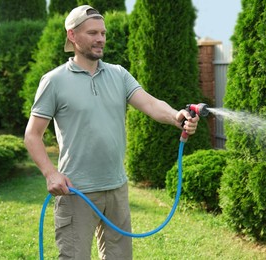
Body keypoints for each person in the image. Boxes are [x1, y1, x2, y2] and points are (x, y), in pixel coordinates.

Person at [24, 5, 199, 260]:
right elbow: (32, 135)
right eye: (93, 32)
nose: (100, 39)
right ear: (72, 36)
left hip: (116, 187)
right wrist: (51, 173)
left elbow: (150, 103)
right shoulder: (54, 80)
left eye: (103, 33)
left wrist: (175, 116)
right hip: (76, 191)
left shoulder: (118, 74)